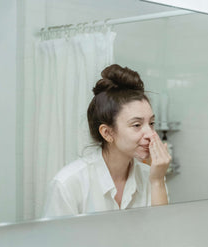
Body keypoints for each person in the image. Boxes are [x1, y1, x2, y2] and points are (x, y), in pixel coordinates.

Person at [44, 64, 171, 217]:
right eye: (137, 125)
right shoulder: (68, 184)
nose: (151, 134)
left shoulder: (151, 177)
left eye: (151, 123)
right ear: (107, 133)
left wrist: (157, 181)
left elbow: (162, 236)